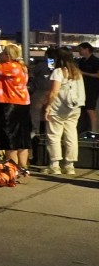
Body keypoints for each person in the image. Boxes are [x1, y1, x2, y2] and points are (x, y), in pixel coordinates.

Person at [0, 43, 32, 172]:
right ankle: (23, 166)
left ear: (8, 55)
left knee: (10, 139)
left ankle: (12, 169)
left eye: (3, 52)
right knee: (22, 138)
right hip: (23, 104)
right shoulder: (21, 67)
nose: (1, 54)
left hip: (10, 104)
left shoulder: (10, 66)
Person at [43, 47, 85, 175]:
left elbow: (54, 91)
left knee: (54, 136)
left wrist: (47, 107)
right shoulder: (77, 71)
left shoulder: (58, 72)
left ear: (58, 59)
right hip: (74, 108)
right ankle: (69, 165)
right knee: (71, 135)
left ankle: (55, 166)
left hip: (58, 108)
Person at [76, 41, 99, 135]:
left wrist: (84, 73)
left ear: (87, 49)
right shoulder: (81, 61)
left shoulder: (95, 61)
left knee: (90, 109)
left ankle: (94, 131)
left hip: (92, 88)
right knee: (83, 110)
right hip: (83, 88)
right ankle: (84, 129)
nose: (79, 52)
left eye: (81, 49)